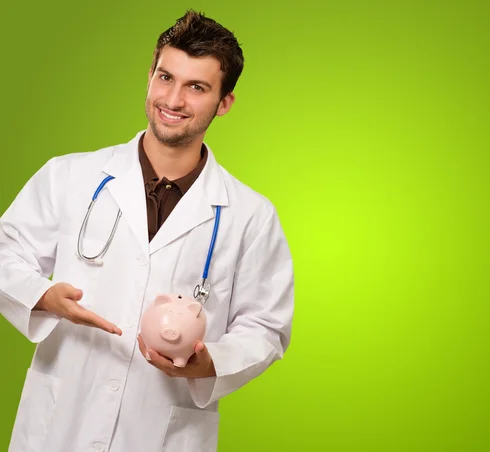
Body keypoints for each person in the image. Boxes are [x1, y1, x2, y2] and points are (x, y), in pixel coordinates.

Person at [0, 9, 294, 452]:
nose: (173, 100)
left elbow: (267, 327)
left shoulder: (251, 215)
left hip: (162, 433)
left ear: (225, 101)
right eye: (165, 77)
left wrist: (208, 363)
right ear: (151, 75)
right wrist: (42, 296)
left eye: (197, 87)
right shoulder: (69, 176)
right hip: (60, 426)